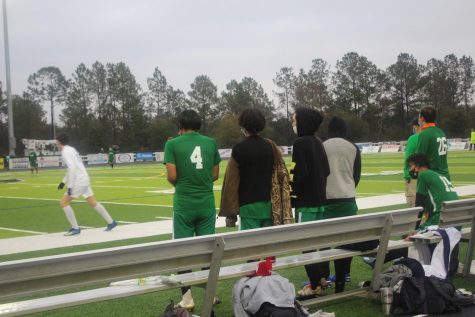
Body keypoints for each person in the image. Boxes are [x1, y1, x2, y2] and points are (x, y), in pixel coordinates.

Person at [164, 109, 221, 310]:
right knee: (207, 251)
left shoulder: (172, 144)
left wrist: (184, 186)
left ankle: (187, 298)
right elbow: (215, 174)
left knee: (182, 251)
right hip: (206, 202)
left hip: (184, 204)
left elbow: (171, 175)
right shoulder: (210, 142)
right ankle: (210, 295)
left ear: (180, 126)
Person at [320, 116, 364, 294]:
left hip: (326, 199)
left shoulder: (322, 146)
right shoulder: (353, 147)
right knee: (345, 242)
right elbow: (357, 175)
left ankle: (323, 277)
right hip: (347, 199)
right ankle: (343, 276)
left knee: (323, 240)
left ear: (329, 129)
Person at [290, 107, 330, 298]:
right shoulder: (318, 142)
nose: (293, 123)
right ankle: (322, 277)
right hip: (321, 199)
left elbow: (299, 173)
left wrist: (291, 188)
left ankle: (314, 284)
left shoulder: (300, 143)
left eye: (294, 120)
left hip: (306, 201)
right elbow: (327, 170)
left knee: (305, 242)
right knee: (318, 240)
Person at [56, 133, 117, 236]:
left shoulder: (65, 151)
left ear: (58, 141)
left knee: (63, 203)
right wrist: (63, 181)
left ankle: (75, 228)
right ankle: (111, 222)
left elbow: (72, 168)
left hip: (79, 180)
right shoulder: (71, 149)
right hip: (84, 178)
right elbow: (73, 167)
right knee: (93, 202)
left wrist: (69, 186)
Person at [415, 106, 450, 179]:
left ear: (422, 118)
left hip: (433, 177)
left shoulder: (424, 134)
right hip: (445, 176)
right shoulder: (440, 132)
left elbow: (418, 158)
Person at [404, 118, 421, 207]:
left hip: (413, 176)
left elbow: (408, 158)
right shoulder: (430, 137)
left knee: (414, 208)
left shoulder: (413, 139)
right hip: (428, 175)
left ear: (416, 126)